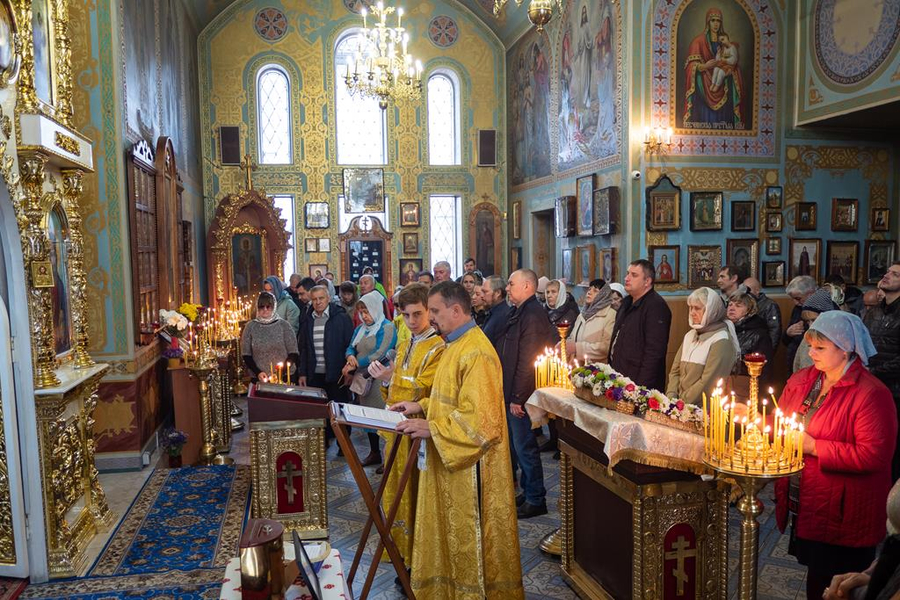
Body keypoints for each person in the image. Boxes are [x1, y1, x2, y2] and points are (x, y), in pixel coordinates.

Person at [391, 282, 524, 600]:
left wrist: (432, 429)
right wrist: (421, 406)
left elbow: (481, 423)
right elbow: (452, 398)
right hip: (447, 461)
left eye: (434, 311)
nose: (431, 318)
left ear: (455, 310)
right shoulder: (454, 344)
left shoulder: (477, 352)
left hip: (469, 471)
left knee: (467, 538)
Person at [774, 311, 896, 600]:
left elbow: (873, 455)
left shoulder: (870, 394)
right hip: (811, 501)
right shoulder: (806, 380)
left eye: (820, 347)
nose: (810, 353)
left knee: (839, 583)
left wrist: (815, 447)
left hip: (845, 510)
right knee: (818, 578)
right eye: (810, 345)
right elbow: (783, 420)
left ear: (845, 349)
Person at [367, 283, 445, 565]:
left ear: (429, 311)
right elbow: (393, 392)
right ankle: (400, 547)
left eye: (418, 314)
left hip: (419, 431)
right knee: (396, 487)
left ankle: (418, 557)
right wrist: (386, 380)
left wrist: (391, 378)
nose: (412, 322)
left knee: (414, 491)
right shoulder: (404, 343)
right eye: (406, 315)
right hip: (396, 430)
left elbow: (429, 388)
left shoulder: (437, 347)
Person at [497, 269, 558, 519]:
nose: (507, 288)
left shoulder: (532, 315)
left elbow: (527, 360)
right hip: (513, 390)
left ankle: (536, 498)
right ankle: (529, 490)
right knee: (518, 444)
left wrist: (517, 397)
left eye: (511, 284)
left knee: (525, 446)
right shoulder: (521, 311)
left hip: (520, 395)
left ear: (526, 286)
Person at [343, 291, 397, 466]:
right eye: (361, 313)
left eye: (366, 312)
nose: (364, 316)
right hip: (363, 379)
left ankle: (387, 456)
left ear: (375, 309)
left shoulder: (387, 327)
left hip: (379, 378)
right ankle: (374, 453)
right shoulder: (360, 329)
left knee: (382, 416)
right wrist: (350, 357)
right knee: (368, 417)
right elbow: (351, 346)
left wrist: (355, 363)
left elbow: (381, 353)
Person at [666, 287, 739, 405]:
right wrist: (671, 398)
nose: (692, 312)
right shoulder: (690, 335)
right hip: (679, 407)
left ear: (712, 311)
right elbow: (675, 371)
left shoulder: (721, 340)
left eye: (697, 308)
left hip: (704, 410)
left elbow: (708, 383)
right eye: (690, 308)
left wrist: (681, 403)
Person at [609, 260, 672, 391]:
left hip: (639, 386)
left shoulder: (656, 307)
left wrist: (639, 390)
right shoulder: (626, 303)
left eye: (634, 275)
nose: (627, 278)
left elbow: (654, 354)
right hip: (619, 378)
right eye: (627, 274)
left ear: (647, 281)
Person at [864, 261, 900, 480]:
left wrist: (874, 371)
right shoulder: (874, 312)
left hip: (896, 391)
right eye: (888, 272)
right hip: (872, 389)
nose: (887, 275)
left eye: (895, 274)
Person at [297, 285, 353, 407]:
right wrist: (302, 373)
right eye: (314, 299)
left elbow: (350, 346)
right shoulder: (308, 320)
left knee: (339, 415)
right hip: (314, 376)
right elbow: (304, 348)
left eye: (321, 298)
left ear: (328, 298)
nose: (318, 302)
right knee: (319, 414)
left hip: (337, 376)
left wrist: (350, 372)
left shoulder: (341, 317)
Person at [241, 291, 300, 384]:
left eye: (268, 306)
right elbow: (246, 354)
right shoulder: (250, 327)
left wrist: (280, 373)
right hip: (260, 378)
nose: (265, 309)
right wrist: (258, 372)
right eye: (261, 306)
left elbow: (293, 353)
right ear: (257, 307)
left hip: (285, 377)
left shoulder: (284, 325)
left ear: (274, 307)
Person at [727, 292, 775, 387]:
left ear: (749, 310)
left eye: (738, 306)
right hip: (725, 382)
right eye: (730, 305)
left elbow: (764, 371)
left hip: (746, 385)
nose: (731, 308)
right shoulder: (724, 329)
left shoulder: (759, 334)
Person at [564, 279, 616, 363]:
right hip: (576, 368)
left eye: (595, 291)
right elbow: (573, 337)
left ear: (603, 295)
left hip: (596, 371)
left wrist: (577, 348)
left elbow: (605, 348)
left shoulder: (610, 315)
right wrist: (564, 344)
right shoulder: (582, 314)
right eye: (589, 289)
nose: (589, 292)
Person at [794, 289, 840, 373]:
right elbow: (797, 366)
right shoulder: (806, 339)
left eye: (814, 320)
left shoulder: (837, 342)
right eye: (808, 321)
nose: (811, 325)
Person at [783, 276, 818, 371]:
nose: (795, 302)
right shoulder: (797, 308)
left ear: (811, 294)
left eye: (798, 298)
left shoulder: (822, 309)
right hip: (794, 358)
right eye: (793, 299)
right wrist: (788, 333)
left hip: (811, 361)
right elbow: (786, 340)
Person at [744, 277, 782, 349]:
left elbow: (774, 331)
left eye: (748, 290)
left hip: (762, 346)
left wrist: (769, 350)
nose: (746, 293)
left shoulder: (769, 305)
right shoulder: (744, 304)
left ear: (757, 290)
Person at [481, 275, 511, 346]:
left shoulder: (504, 316)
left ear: (498, 293)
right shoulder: (492, 312)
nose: (482, 296)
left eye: (485, 292)